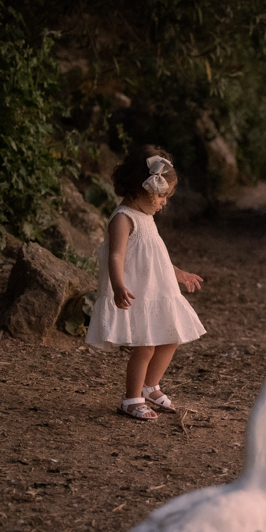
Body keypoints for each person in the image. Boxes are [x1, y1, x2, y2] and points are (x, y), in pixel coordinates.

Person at [85, 146, 206, 420]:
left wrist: (178, 273)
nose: (164, 202)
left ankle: (150, 386)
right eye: (162, 195)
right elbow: (116, 255)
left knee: (171, 337)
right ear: (142, 189)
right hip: (139, 295)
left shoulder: (146, 217)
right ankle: (131, 399)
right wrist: (118, 285)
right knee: (146, 347)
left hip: (157, 291)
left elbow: (155, 257)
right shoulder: (123, 218)